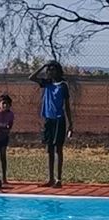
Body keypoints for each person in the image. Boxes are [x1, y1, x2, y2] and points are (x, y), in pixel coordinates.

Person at [29, 60, 73, 188]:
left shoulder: (63, 86)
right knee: (50, 149)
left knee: (58, 149)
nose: (50, 72)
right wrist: (43, 66)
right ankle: (51, 179)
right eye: (49, 70)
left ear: (58, 71)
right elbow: (31, 77)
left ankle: (59, 179)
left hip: (59, 119)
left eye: (53, 69)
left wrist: (71, 123)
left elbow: (67, 105)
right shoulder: (47, 83)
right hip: (48, 120)